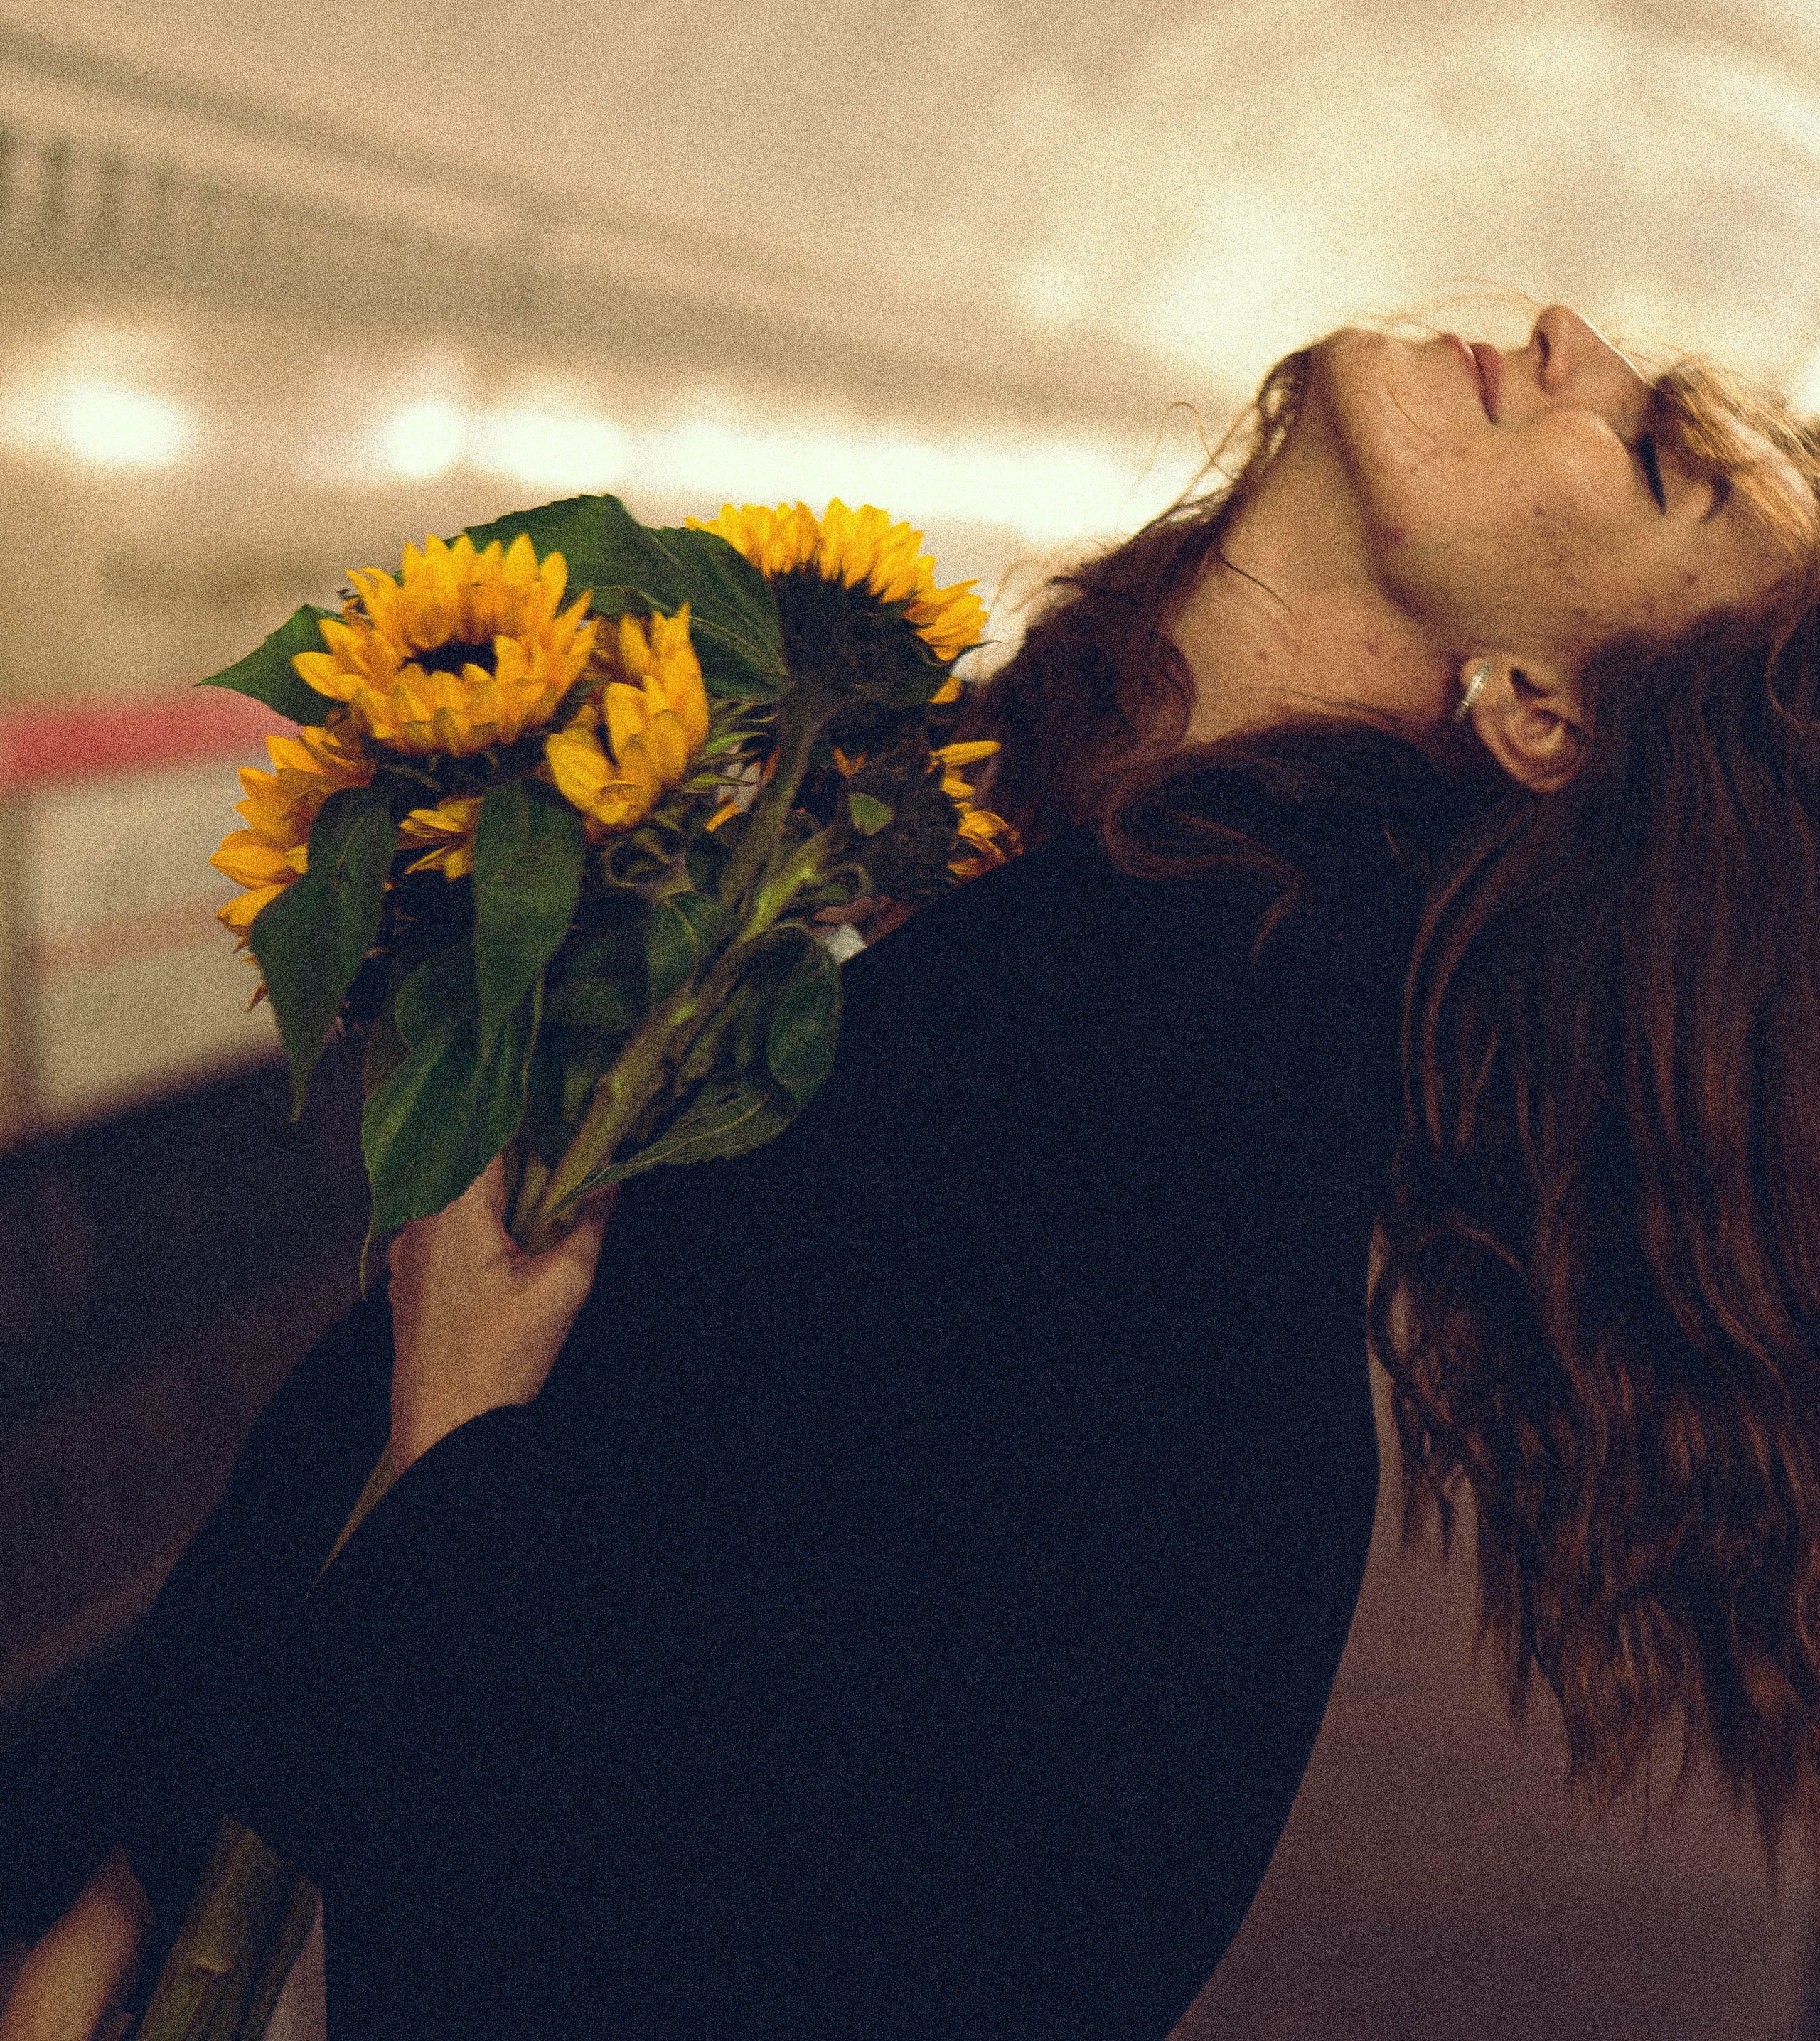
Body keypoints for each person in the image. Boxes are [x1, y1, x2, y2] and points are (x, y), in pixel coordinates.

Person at [5, 303, 1820, 2037]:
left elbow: (933, 1923)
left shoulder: (1206, 1088)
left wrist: (458, 1436)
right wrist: (143, 1861)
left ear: (1538, 714)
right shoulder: (989, 834)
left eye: (1650, 461)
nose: (1575, 344)